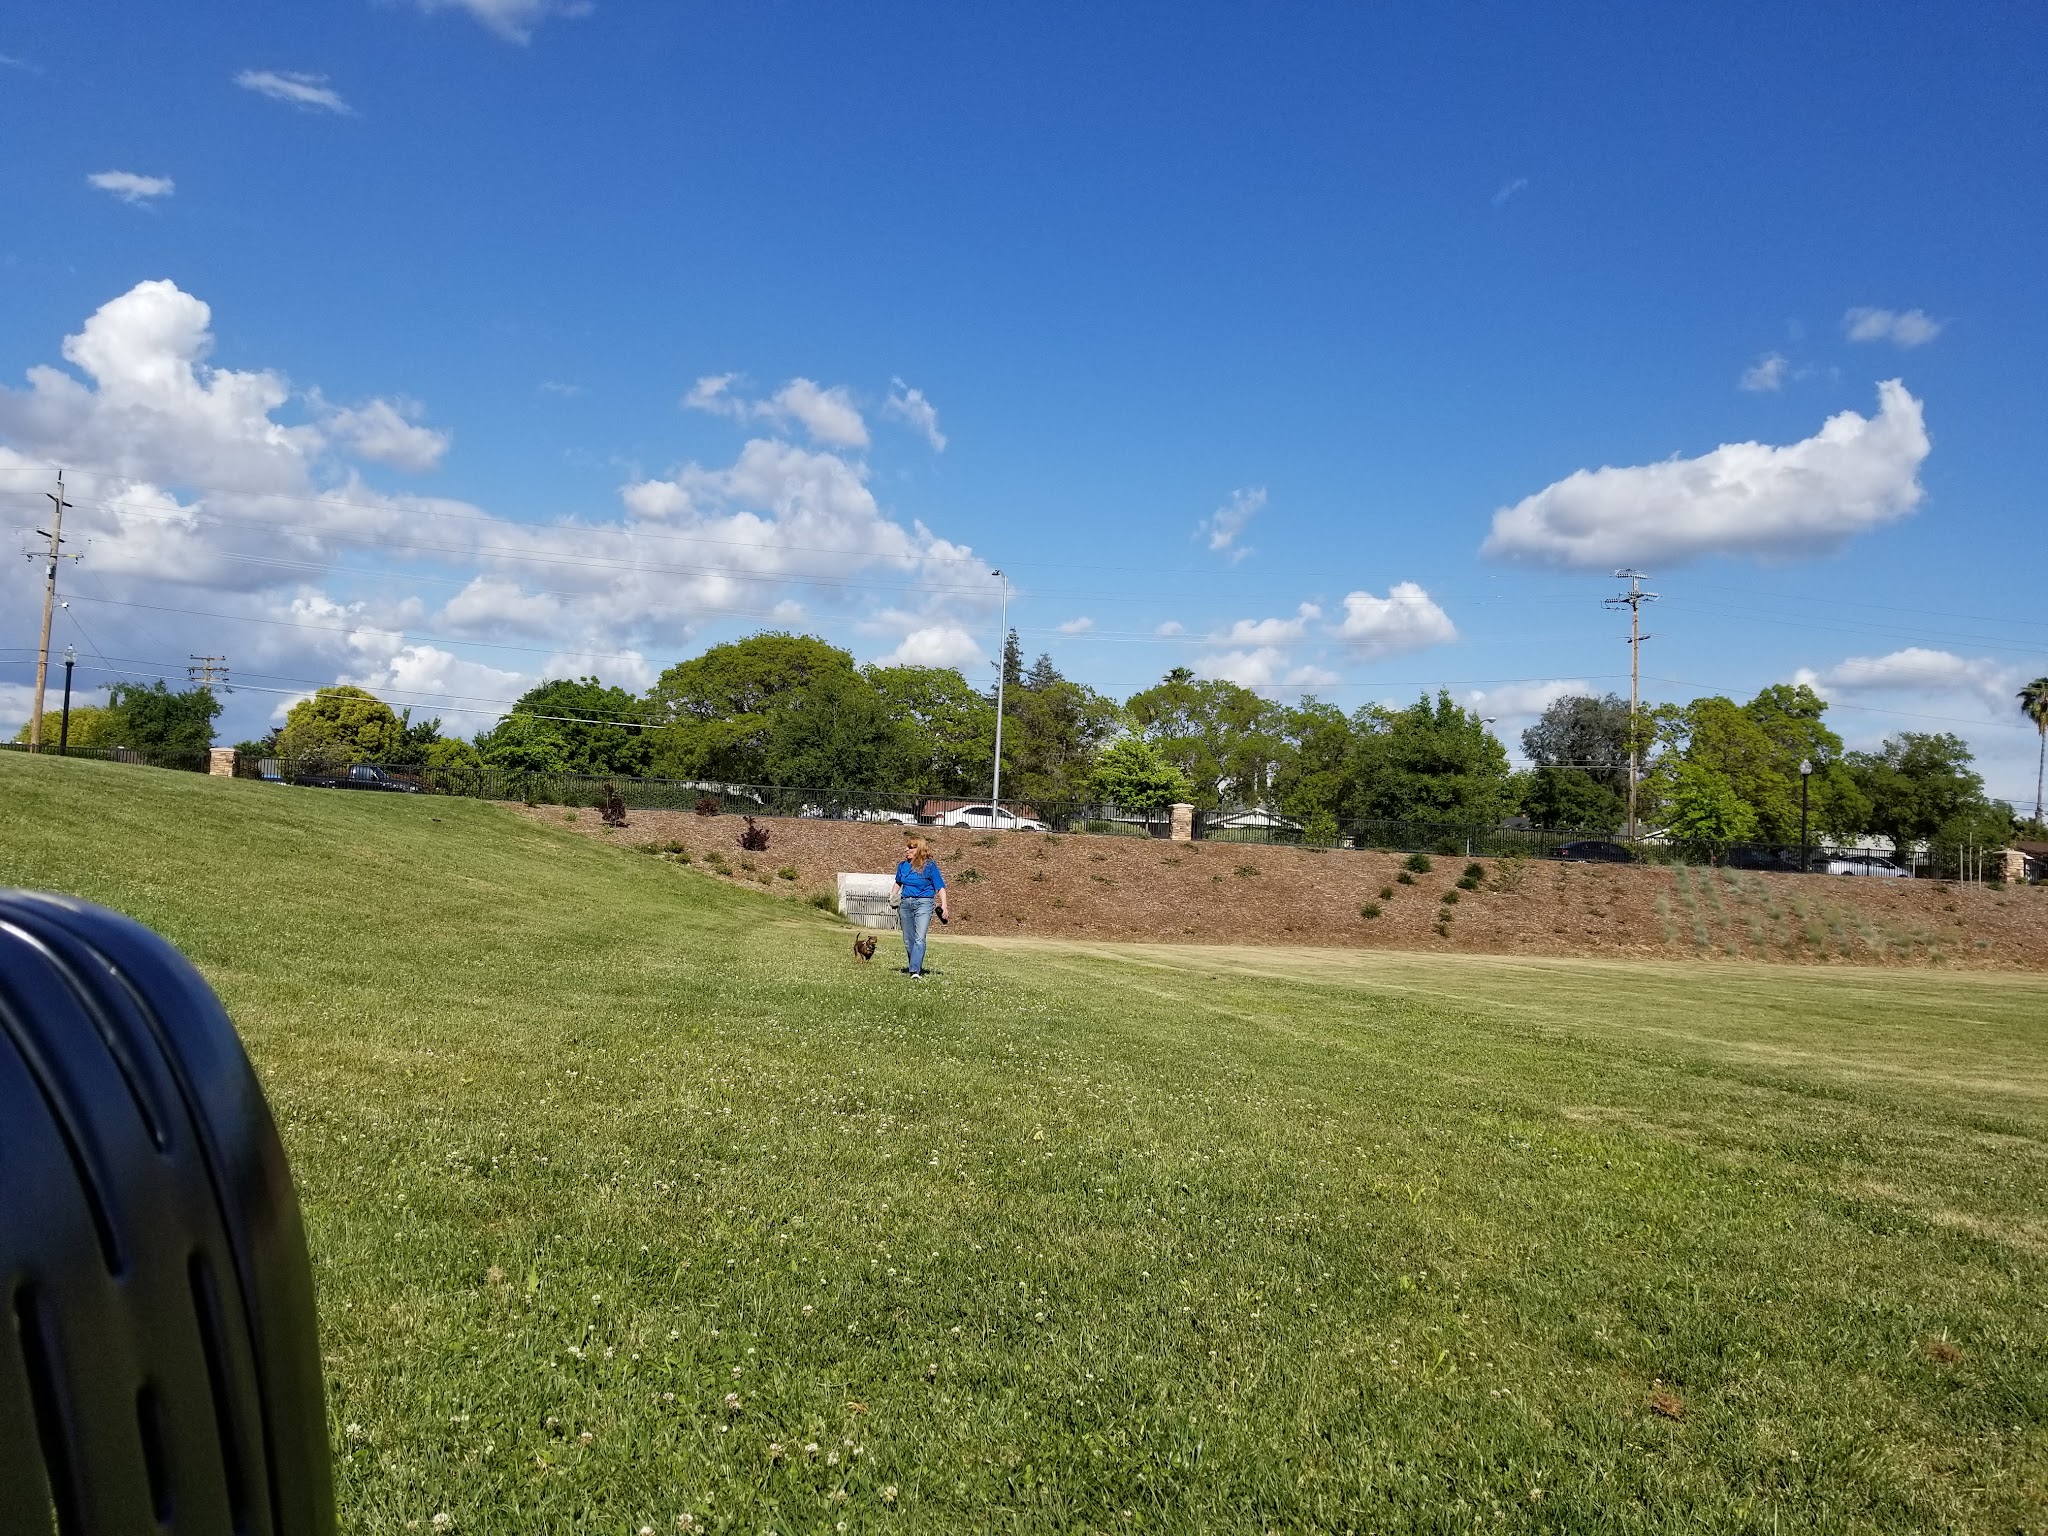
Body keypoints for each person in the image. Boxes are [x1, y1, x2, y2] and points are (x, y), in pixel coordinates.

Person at [893, 834, 949, 978]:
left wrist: (944, 905)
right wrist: (892, 896)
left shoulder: (929, 866)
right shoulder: (902, 866)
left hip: (924, 903)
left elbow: (940, 887)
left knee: (919, 937)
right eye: (907, 847)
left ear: (920, 850)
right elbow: (898, 882)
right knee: (908, 938)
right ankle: (914, 963)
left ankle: (914, 970)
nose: (907, 850)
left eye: (911, 847)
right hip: (905, 903)